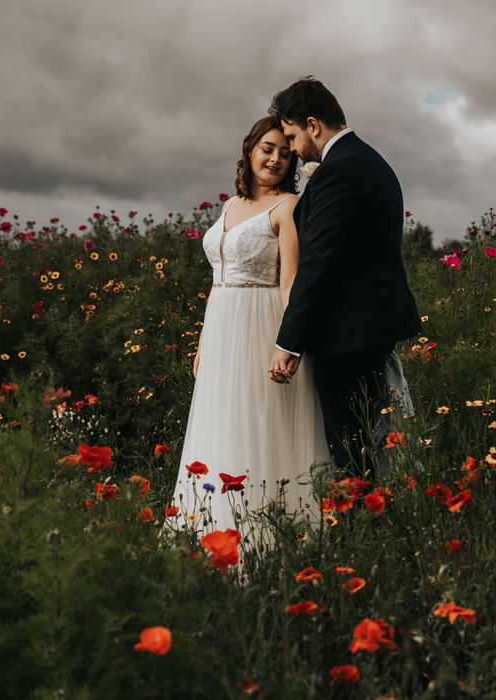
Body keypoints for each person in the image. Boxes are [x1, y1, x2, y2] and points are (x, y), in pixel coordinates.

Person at [165, 116, 330, 539]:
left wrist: (288, 345)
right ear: (250, 149)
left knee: (259, 423)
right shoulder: (230, 206)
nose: (276, 159)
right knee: (221, 421)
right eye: (268, 149)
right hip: (222, 330)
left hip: (260, 328)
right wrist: (205, 342)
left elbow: (290, 282)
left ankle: (264, 534)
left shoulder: (288, 206)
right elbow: (218, 280)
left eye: (285, 152)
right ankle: (211, 529)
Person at [267, 77, 422, 480]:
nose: (295, 150)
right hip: (367, 332)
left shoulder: (339, 171)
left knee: (350, 451)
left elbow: (319, 265)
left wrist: (289, 342)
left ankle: (361, 530)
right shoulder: (368, 160)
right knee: (370, 443)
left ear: (313, 125)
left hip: (347, 339)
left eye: (292, 136)